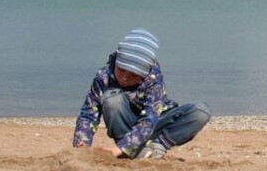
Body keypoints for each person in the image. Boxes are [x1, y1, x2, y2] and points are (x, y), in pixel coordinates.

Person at [73, 28, 211, 160]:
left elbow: (150, 119)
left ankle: (157, 146)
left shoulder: (153, 80)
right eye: (121, 70)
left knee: (201, 112)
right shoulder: (104, 76)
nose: (125, 78)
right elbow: (89, 113)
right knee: (111, 100)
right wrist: (82, 143)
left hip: (153, 123)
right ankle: (128, 150)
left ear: (144, 73)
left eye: (133, 75)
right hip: (126, 126)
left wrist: (118, 150)